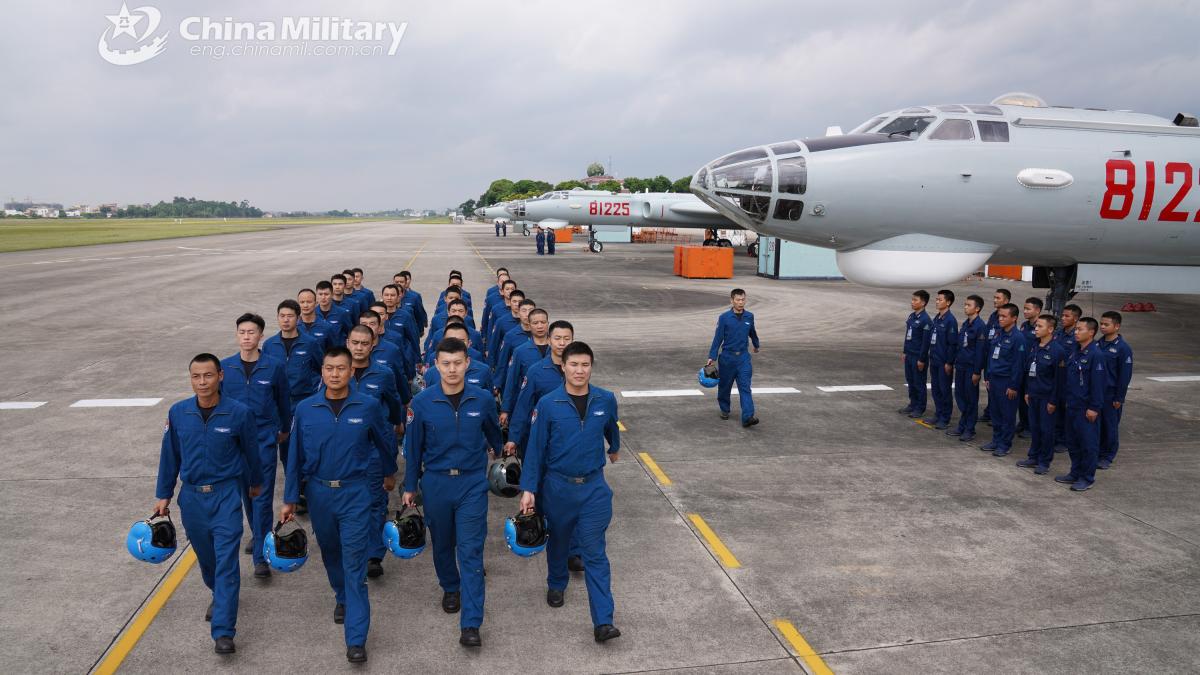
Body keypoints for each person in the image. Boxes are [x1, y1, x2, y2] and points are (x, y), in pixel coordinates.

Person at [281, 347, 397, 663]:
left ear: (350, 372)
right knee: (331, 551)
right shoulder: (306, 409)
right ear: (323, 372)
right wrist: (290, 498)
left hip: (356, 492)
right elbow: (295, 457)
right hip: (319, 493)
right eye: (329, 368)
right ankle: (341, 595)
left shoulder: (368, 406)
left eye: (341, 368)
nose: (335, 374)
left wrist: (389, 472)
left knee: (354, 561)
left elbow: (385, 442)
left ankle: (356, 639)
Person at [154, 354, 263, 655]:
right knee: (207, 559)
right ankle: (219, 592)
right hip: (191, 499)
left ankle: (224, 632)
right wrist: (163, 494)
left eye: (208, 376)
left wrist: (255, 483)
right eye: (196, 377)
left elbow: (252, 452)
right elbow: (170, 456)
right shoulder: (178, 413)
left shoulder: (239, 413)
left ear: (220, 376)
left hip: (226, 494)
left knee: (227, 562)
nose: (202, 382)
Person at [518, 341, 622, 643]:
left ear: (591, 367)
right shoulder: (548, 404)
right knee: (559, 541)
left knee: (595, 552)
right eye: (574, 364)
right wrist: (528, 489)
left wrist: (614, 447)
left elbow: (610, 426)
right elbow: (536, 449)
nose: (579, 370)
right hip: (557, 488)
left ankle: (603, 621)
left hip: (593, 488)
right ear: (563, 366)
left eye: (585, 365)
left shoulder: (604, 399)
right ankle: (556, 582)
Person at [402, 337, 503, 648]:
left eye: (458, 363)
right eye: (446, 363)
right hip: (435, 482)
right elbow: (413, 449)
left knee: (471, 550)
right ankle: (449, 586)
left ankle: (471, 623)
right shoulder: (421, 403)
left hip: (473, 483)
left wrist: (502, 458)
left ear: (467, 363)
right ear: (436, 365)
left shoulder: (483, 400)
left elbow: (495, 437)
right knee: (443, 543)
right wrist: (409, 487)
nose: (452, 369)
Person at [220, 313, 290, 577]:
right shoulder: (225, 368)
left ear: (261, 336)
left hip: (263, 441)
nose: (247, 336)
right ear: (237, 335)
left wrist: (283, 428)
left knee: (261, 497)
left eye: (252, 332)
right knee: (246, 495)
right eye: (242, 332)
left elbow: (283, 400)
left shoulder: (273, 367)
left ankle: (261, 556)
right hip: (234, 445)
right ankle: (258, 533)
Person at [345, 325, 404, 579]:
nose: (359, 348)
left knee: (375, 502)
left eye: (364, 343)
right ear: (348, 343)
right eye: (355, 342)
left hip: (374, 449)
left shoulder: (383, 374)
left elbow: (393, 406)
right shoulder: (336, 371)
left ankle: (374, 554)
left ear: (372, 345)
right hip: (346, 448)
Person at [262, 300, 324, 459]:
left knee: (304, 445)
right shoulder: (269, 345)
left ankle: (304, 481)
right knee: (285, 448)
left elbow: (322, 369)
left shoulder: (310, 343)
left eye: (290, 316)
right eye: (282, 316)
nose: (285, 320)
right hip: (279, 405)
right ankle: (292, 480)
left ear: (298, 319)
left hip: (302, 401)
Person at [1056, 317, 1106, 491]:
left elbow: (1098, 385)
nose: (1076, 332)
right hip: (1072, 405)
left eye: (1080, 329)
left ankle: (1087, 477)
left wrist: (1094, 407)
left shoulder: (1096, 355)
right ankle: (1075, 472)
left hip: (1086, 408)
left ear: (1091, 332)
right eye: (1076, 329)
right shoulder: (1075, 351)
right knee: (1073, 442)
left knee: (1088, 444)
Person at [1016, 314, 1065, 475]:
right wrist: (1028, 392)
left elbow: (1059, 380)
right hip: (1033, 394)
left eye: (1040, 326)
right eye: (1036, 326)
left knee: (1046, 430)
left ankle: (1044, 461)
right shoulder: (1035, 346)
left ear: (1050, 329)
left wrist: (1053, 400)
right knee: (1035, 428)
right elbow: (1030, 371)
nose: (1036, 329)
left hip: (1047, 397)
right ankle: (1033, 456)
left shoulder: (1057, 351)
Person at [708, 288, 760, 427]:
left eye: (743, 299)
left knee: (745, 388)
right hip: (727, 359)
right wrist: (712, 356)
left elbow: (752, 332)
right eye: (738, 300)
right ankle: (725, 409)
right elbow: (718, 338)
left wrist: (756, 344)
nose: (741, 302)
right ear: (732, 301)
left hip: (743, 358)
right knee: (725, 387)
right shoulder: (724, 318)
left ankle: (748, 417)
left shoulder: (749, 316)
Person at [981, 303, 1025, 457]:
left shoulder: (1018, 338)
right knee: (995, 412)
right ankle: (996, 439)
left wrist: (1013, 385)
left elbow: (1018, 365)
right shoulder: (998, 333)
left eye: (1004, 316)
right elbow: (990, 356)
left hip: (1007, 381)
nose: (1000, 319)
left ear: (1014, 318)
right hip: (994, 379)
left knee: (1007, 415)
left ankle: (1005, 444)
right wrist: (987, 376)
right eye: (999, 316)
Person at [1097, 311, 1134, 470]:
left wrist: (1119, 397)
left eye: (1106, 324)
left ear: (1116, 326)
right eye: (1101, 324)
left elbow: (1125, 376)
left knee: (1110, 425)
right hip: (1097, 392)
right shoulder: (1098, 343)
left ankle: (1108, 455)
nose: (1102, 327)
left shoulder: (1123, 348)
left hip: (1111, 394)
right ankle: (1098, 451)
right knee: (1097, 424)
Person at [501, 308, 551, 426]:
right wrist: (505, 409)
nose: (540, 326)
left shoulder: (558, 351)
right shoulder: (520, 351)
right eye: (535, 323)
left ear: (548, 324)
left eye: (543, 322)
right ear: (529, 325)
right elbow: (511, 381)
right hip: (527, 405)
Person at [948, 294, 986, 442]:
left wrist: (977, 371)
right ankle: (962, 424)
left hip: (971, 368)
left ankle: (969, 428)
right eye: (965, 304)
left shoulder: (980, 326)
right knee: (960, 395)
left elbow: (980, 351)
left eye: (968, 305)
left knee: (971, 399)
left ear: (977, 309)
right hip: (961, 366)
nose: (965, 307)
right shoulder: (966, 324)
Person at [423, 324, 492, 391]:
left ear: (469, 343)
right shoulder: (430, 374)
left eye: (461, 341)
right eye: (450, 340)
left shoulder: (484, 370)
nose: (455, 344)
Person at [927, 290, 959, 429]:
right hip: (934, 359)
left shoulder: (950, 321)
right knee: (936, 389)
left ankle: (945, 417)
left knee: (945, 390)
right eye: (937, 299)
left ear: (948, 302)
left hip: (943, 361)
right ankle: (938, 413)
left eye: (940, 299)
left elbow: (952, 344)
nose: (937, 301)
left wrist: (949, 362)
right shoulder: (937, 318)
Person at [1053, 304, 1082, 451]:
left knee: (1066, 410)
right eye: (1062, 315)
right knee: (1056, 408)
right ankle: (1057, 437)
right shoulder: (1058, 334)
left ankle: (1065, 440)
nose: (1063, 318)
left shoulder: (1078, 337)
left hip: (1069, 379)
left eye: (1067, 316)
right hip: (1056, 377)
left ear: (1076, 319)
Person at [980, 288, 1011, 424]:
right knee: (990, 386)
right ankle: (990, 411)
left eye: (998, 298)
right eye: (994, 297)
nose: (994, 300)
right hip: (990, 356)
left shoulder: (1006, 320)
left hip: (999, 360)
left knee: (999, 391)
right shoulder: (993, 316)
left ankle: (996, 415)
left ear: (1006, 300)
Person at [900, 290, 932, 420]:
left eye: (915, 300)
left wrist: (922, 359)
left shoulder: (926, 320)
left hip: (918, 356)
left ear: (923, 303)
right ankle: (912, 404)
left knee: (919, 382)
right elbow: (908, 336)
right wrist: (904, 351)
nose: (912, 302)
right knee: (911, 381)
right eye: (912, 300)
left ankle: (920, 407)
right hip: (909, 354)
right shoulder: (911, 316)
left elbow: (926, 342)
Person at [495, 298, 537, 394]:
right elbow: (503, 361)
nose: (527, 314)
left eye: (530, 311)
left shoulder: (542, 335)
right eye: (524, 310)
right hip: (517, 383)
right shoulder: (510, 336)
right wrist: (497, 383)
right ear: (518, 312)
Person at [1014, 297, 1043, 437]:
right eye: (1024, 308)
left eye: (1028, 309)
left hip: (1034, 368)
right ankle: (1023, 422)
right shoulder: (1025, 325)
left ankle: (1031, 427)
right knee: (1021, 398)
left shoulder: (1041, 327)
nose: (1024, 311)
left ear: (1037, 310)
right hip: (1023, 365)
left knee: (1030, 398)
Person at [297, 288, 336, 352]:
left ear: (316, 303)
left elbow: (333, 353)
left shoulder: (327, 327)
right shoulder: (293, 327)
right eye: (302, 302)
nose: (305, 305)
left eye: (309, 302)